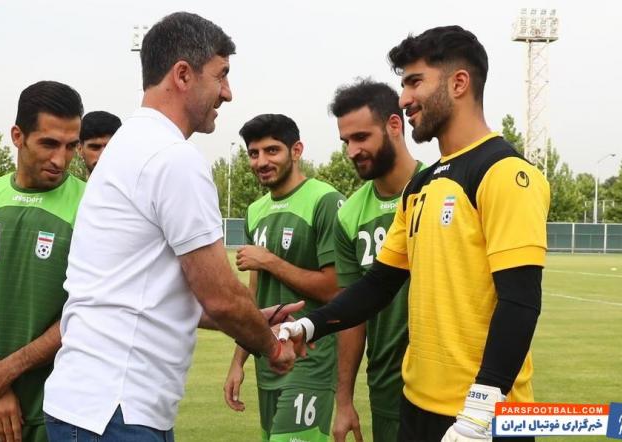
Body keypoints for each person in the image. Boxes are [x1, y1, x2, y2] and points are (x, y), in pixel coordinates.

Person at [279, 26, 550, 442]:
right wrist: (308, 326)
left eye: (414, 81)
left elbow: (520, 301)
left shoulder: (505, 173)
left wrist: (482, 410)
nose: (404, 98)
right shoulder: (421, 185)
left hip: (484, 418)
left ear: (459, 83)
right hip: (417, 407)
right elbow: (378, 285)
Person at [43, 12, 300, 441]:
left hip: (97, 405)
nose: (228, 92)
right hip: (116, 410)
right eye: (221, 75)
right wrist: (271, 346)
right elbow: (220, 296)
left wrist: (254, 320)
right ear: (183, 75)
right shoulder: (171, 157)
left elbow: (153, 297)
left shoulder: (128, 145)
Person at [0, 81, 86, 442]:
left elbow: (86, 312)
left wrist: (5, 372)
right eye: (49, 144)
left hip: (60, 412)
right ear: (17, 136)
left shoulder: (92, 205)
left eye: (71, 146)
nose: (61, 160)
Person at [223, 113, 345, 442]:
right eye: (254, 153)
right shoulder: (255, 211)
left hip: (310, 358)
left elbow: (335, 289)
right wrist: (238, 361)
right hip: (269, 359)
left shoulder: (325, 201)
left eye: (272, 150)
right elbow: (254, 297)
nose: (261, 161)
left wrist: (270, 261)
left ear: (296, 150)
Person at [327, 79, 424, 442]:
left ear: (394, 125)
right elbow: (351, 314)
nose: (352, 151)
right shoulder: (349, 215)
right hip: (386, 390)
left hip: (450, 386)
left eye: (361, 137)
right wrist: (343, 401)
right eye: (346, 142)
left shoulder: (442, 188)